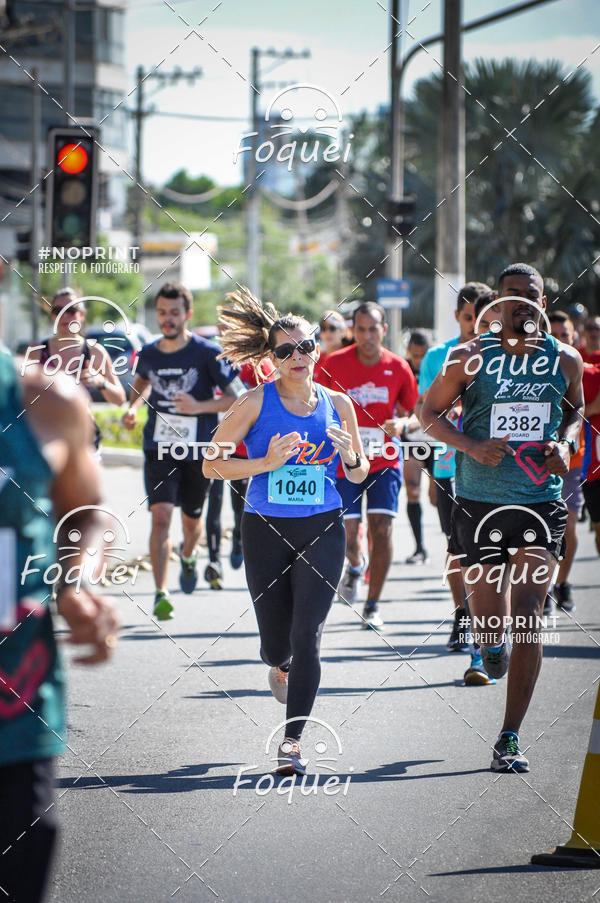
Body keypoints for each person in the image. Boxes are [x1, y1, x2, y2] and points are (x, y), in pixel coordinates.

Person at [422, 262, 583, 772]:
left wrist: (565, 443)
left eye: (531, 296)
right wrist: (469, 443)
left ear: (541, 300)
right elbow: (428, 414)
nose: (522, 304)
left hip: (539, 502)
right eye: (512, 295)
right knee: (492, 624)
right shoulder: (469, 357)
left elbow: (575, 413)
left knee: (529, 618)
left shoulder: (565, 359)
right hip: (478, 501)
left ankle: (509, 736)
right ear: (497, 299)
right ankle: (489, 646)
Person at [203, 288, 369, 775]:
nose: (297, 356)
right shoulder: (255, 402)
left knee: (309, 634)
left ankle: (291, 742)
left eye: (306, 347)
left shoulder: (340, 405)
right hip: (266, 528)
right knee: (278, 643)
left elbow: (358, 474)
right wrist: (264, 462)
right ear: (272, 359)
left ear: (318, 350)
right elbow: (212, 466)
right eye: (285, 350)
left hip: (322, 527)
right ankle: (279, 662)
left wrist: (349, 456)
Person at [0, 352, 119, 903]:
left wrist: (74, 584)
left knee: (23, 852)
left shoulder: (47, 399)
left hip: (13, 697)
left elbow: (85, 512)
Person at [122, 282, 243, 619]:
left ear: (187, 314)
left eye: (174, 312)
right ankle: (161, 593)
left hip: (197, 452)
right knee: (161, 516)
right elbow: (142, 381)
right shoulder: (148, 353)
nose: (167, 319)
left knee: (192, 524)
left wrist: (199, 406)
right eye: (162, 312)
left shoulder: (207, 353)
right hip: (158, 448)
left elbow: (239, 396)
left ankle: (188, 556)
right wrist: (131, 408)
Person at [319, 302, 418, 630]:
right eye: (360, 329)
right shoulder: (333, 364)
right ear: (353, 332)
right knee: (348, 534)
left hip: (385, 460)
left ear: (384, 330)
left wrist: (403, 425)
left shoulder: (398, 366)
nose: (366, 336)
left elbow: (416, 413)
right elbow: (315, 404)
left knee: (382, 529)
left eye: (373, 329)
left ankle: (373, 604)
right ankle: (356, 565)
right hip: (345, 461)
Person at [417, 282, 494, 656]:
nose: (473, 327)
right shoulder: (441, 356)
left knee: (492, 554)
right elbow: (429, 411)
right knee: (458, 550)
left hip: (498, 471)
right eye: (469, 319)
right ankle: (463, 614)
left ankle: (490, 625)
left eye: (483, 320)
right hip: (450, 466)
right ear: (460, 318)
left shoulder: (511, 356)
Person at [25, 288, 126, 448]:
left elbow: (120, 399)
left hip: (83, 441)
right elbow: (19, 396)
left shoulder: (95, 352)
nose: (64, 316)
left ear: (82, 314)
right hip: (45, 439)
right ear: (52, 315)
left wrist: (101, 382)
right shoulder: (36, 352)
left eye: (71, 310)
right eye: (58, 310)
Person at [547, 311, 586, 613]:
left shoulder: (575, 364)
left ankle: (562, 582)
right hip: (538, 464)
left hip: (573, 461)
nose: (560, 340)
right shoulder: (533, 364)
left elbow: (579, 408)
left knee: (568, 524)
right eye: (555, 334)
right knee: (544, 529)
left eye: (566, 335)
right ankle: (543, 587)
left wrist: (566, 444)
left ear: (574, 337)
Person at [402, 330, 434, 564]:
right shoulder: (403, 369)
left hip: (439, 439)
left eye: (423, 355)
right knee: (412, 490)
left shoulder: (439, 367)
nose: (419, 361)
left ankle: (454, 545)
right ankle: (419, 547)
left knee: (436, 497)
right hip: (412, 438)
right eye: (415, 356)